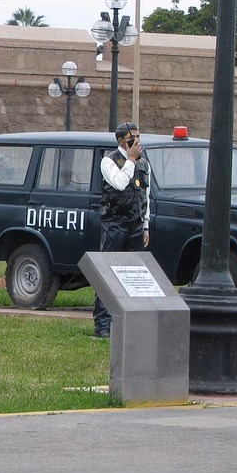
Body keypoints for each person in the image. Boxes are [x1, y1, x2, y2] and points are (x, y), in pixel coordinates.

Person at [92, 122, 151, 339]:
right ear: (120, 141)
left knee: (135, 276)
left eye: (137, 138)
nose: (136, 143)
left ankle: (131, 322)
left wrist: (145, 225)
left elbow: (146, 194)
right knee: (107, 274)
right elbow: (118, 183)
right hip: (114, 224)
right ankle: (103, 325)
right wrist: (130, 160)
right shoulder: (109, 161)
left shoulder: (144, 163)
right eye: (130, 139)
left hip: (135, 225)